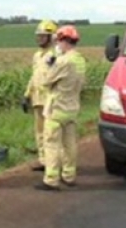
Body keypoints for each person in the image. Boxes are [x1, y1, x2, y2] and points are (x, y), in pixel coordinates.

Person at [36, 25, 87, 191]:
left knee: (51, 144)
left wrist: (48, 61)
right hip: (72, 108)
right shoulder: (80, 60)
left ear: (63, 40)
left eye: (58, 40)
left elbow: (45, 80)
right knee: (70, 144)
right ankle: (69, 175)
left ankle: (51, 179)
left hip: (57, 108)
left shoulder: (64, 61)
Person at [22, 19, 58, 171]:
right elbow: (34, 76)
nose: (40, 39)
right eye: (39, 36)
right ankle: (43, 160)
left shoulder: (55, 55)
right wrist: (26, 94)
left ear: (52, 37)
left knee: (52, 133)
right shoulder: (37, 56)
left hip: (50, 100)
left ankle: (55, 162)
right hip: (37, 99)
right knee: (39, 131)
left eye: (43, 36)